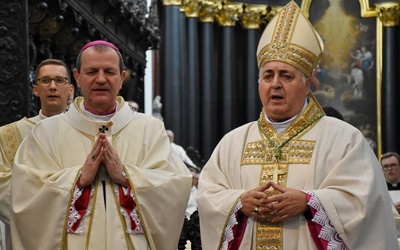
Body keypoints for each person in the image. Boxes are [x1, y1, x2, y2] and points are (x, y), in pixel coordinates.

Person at [196, 1, 398, 249]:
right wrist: (239, 202)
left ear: (308, 84)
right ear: (259, 84)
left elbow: (366, 202)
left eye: (287, 75)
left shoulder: (345, 139)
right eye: (268, 76)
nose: (276, 84)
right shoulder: (233, 142)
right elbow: (208, 195)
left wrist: (309, 202)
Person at [10, 40, 192, 249]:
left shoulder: (150, 130)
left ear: (122, 78)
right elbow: (25, 196)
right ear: (77, 77)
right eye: (92, 71)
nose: (101, 79)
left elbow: (174, 187)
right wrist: (77, 179)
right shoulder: (45, 133)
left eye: (109, 71)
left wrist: (126, 176)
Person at [0, 58, 74, 249]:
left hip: (75, 231)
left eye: (59, 80)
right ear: (35, 89)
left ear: (71, 89)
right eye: (45, 80)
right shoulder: (9, 134)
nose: (52, 86)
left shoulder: (86, 132)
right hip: (27, 236)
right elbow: (3, 188)